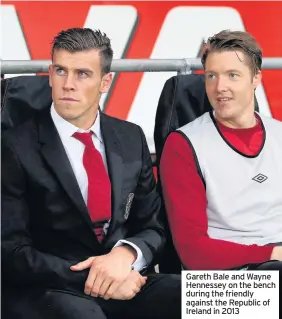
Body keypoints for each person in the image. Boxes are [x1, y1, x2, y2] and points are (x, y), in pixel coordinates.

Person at [1, 28, 181, 319]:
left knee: (239, 297)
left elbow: (154, 227)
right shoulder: (14, 145)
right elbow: (10, 252)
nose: (68, 84)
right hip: (52, 289)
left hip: (127, 278)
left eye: (82, 74)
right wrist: (98, 278)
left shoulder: (131, 137)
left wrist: (127, 255)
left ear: (105, 81)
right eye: (61, 71)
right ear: (50, 73)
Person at [160, 30, 282, 271]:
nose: (219, 87)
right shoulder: (183, 145)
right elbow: (192, 251)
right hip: (226, 280)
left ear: (256, 78)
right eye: (211, 76)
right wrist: (272, 252)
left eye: (232, 75)